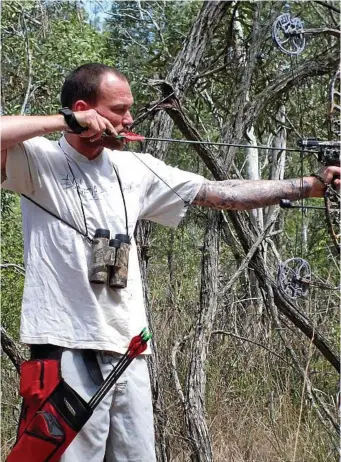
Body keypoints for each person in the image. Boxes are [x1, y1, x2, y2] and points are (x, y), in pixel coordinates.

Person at [1, 63, 340, 462]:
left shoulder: (135, 169)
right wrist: (64, 122)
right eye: (119, 109)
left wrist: (309, 186)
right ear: (83, 109)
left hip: (129, 350)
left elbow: (221, 192)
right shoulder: (38, 161)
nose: (130, 119)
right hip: (66, 348)